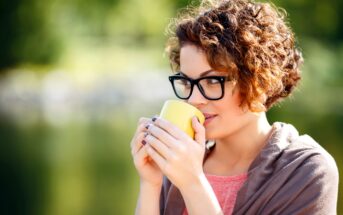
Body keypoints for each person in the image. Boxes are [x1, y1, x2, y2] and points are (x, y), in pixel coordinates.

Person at [130, 0, 339, 214]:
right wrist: (151, 183)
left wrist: (193, 183)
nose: (193, 99)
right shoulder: (181, 161)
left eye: (212, 82)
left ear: (259, 82)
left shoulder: (305, 171)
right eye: (186, 83)